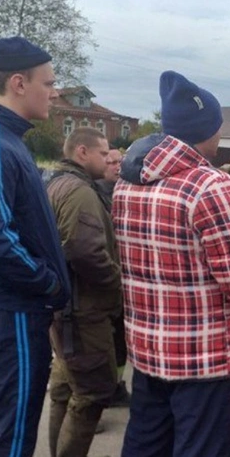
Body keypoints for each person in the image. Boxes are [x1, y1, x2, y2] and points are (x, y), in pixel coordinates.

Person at [113, 71, 230, 457]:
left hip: (149, 348)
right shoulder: (212, 185)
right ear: (208, 129)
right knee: (202, 448)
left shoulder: (127, 181)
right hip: (204, 354)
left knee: (146, 444)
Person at [0, 36, 71, 457]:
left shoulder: (9, 140)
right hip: (10, 313)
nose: (55, 92)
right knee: (10, 435)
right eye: (49, 83)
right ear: (18, 83)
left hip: (13, 310)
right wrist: (50, 285)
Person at [46, 128, 122, 456]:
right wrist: (120, 283)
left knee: (64, 391)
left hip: (65, 310)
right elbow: (85, 253)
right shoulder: (79, 192)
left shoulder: (55, 182)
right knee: (91, 395)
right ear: (82, 152)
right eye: (103, 154)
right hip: (83, 312)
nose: (108, 160)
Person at [94, 147, 131, 410]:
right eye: (111, 162)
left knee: (120, 342)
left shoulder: (125, 190)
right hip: (103, 279)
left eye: (120, 161)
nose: (117, 166)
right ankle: (99, 394)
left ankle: (116, 386)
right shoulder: (93, 193)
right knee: (100, 345)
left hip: (122, 279)